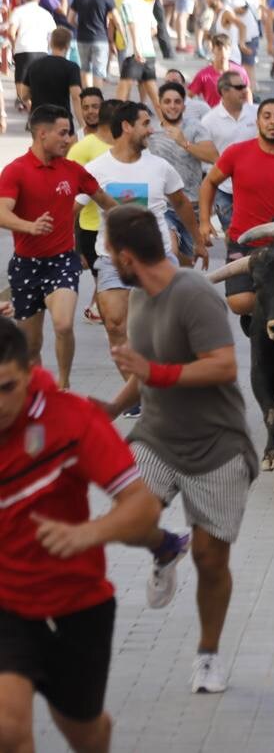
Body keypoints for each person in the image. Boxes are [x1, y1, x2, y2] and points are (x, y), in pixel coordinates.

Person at [95, 204, 259, 696]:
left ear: (125, 256)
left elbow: (224, 367)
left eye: (108, 252)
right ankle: (164, 549)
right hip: (158, 436)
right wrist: (105, 410)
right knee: (130, 514)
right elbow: (144, 369)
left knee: (210, 560)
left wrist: (153, 376)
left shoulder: (192, 294)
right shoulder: (139, 296)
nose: (106, 259)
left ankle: (208, 656)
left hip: (217, 445)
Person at [0, 317, 160, 753]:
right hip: (7, 605)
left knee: (83, 731)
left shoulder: (72, 420)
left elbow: (142, 506)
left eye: (6, 387)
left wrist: (90, 533)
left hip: (77, 604)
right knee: (8, 730)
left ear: (30, 371)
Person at [84, 102, 205, 380]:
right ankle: (136, 391)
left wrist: (198, 240)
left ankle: (165, 378)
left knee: (167, 327)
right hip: (112, 258)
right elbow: (73, 207)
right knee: (115, 324)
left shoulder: (160, 166)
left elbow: (181, 203)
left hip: (158, 256)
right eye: (145, 123)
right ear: (126, 127)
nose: (151, 130)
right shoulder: (95, 168)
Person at [0, 106, 116, 389]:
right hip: (26, 265)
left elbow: (106, 202)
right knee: (30, 346)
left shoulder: (73, 171)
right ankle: (39, 393)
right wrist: (29, 226)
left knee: (63, 324)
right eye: (63, 133)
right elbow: (2, 211)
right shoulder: (16, 171)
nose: (69, 139)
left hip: (62, 261)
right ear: (42, 134)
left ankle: (63, 386)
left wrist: (139, 224)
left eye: (70, 133)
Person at [199, 99, 274, 316]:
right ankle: (264, 314)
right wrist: (205, 221)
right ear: (258, 122)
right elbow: (209, 182)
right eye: (267, 117)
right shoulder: (236, 152)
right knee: (240, 303)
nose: (272, 122)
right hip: (242, 242)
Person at [148, 82, 218, 265]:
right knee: (170, 251)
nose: (172, 106)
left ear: (184, 106)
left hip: (190, 207)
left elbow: (213, 157)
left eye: (177, 102)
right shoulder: (150, 131)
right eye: (167, 101)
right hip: (162, 206)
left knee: (186, 266)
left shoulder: (195, 127)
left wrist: (184, 142)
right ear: (159, 105)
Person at [69, 94, 115, 326]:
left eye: (95, 106)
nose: (90, 112)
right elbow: (72, 196)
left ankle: (98, 309)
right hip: (90, 226)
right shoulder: (82, 148)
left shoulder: (125, 146)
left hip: (118, 226)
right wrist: (75, 243)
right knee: (107, 279)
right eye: (85, 107)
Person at [199, 73, 259, 238]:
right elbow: (206, 163)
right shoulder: (209, 120)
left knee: (256, 235)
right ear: (224, 91)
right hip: (224, 190)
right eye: (239, 87)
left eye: (245, 86)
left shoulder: (258, 114)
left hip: (254, 188)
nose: (244, 90)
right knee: (234, 236)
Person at [8, 0, 57, 111]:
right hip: (41, 49)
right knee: (38, 78)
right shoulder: (46, 13)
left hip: (23, 48)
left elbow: (11, 32)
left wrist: (14, 44)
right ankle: (36, 103)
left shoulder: (18, 11)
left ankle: (25, 102)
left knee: (21, 77)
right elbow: (53, 34)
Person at [23, 28, 84, 122]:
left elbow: (24, 94)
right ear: (67, 45)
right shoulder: (71, 67)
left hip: (39, 118)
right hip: (61, 118)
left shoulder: (34, 65)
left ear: (51, 43)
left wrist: (32, 107)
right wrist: (82, 123)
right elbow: (76, 96)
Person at [70, 0, 116, 87]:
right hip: (100, 38)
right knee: (98, 71)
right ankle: (97, 99)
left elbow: (70, 18)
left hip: (82, 38)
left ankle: (87, 95)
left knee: (85, 69)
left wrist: (79, 26)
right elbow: (117, 19)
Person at [188, 34, 250, 109]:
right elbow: (189, 97)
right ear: (213, 50)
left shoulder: (240, 72)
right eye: (219, 49)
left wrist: (249, 110)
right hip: (214, 117)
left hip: (236, 116)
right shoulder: (203, 75)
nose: (223, 54)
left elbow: (247, 93)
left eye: (226, 49)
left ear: (230, 50)